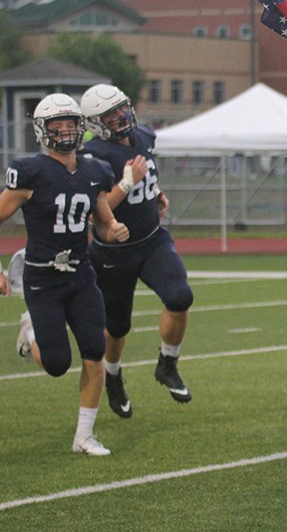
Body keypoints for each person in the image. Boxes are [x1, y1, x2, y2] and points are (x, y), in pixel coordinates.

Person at [1, 93, 130, 455]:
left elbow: (103, 224)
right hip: (42, 277)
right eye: (56, 127)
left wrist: (114, 229)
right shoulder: (30, 172)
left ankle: (84, 435)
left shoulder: (94, 170)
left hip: (80, 274)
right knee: (57, 364)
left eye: (70, 125)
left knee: (94, 349)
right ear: (42, 132)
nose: (65, 132)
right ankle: (30, 329)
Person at [80, 84, 195, 418]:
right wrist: (128, 183)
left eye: (120, 108)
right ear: (95, 123)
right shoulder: (94, 156)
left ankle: (167, 363)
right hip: (114, 252)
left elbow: (147, 170)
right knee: (117, 328)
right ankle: (113, 376)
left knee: (180, 296)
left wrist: (155, 190)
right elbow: (93, 210)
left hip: (153, 239)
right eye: (110, 114)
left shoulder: (143, 136)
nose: (120, 116)